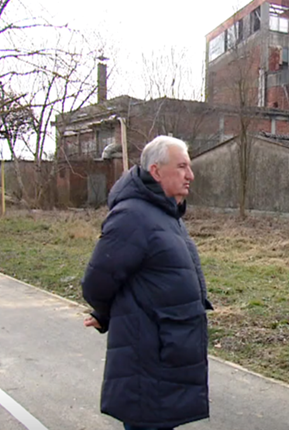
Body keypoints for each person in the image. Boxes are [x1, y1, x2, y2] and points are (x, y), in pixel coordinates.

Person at [81, 136, 212, 430]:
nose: (190, 175)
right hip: (148, 358)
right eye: (181, 167)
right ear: (156, 171)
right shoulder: (133, 216)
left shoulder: (166, 214)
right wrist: (104, 312)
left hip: (167, 352)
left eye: (189, 167)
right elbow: (98, 281)